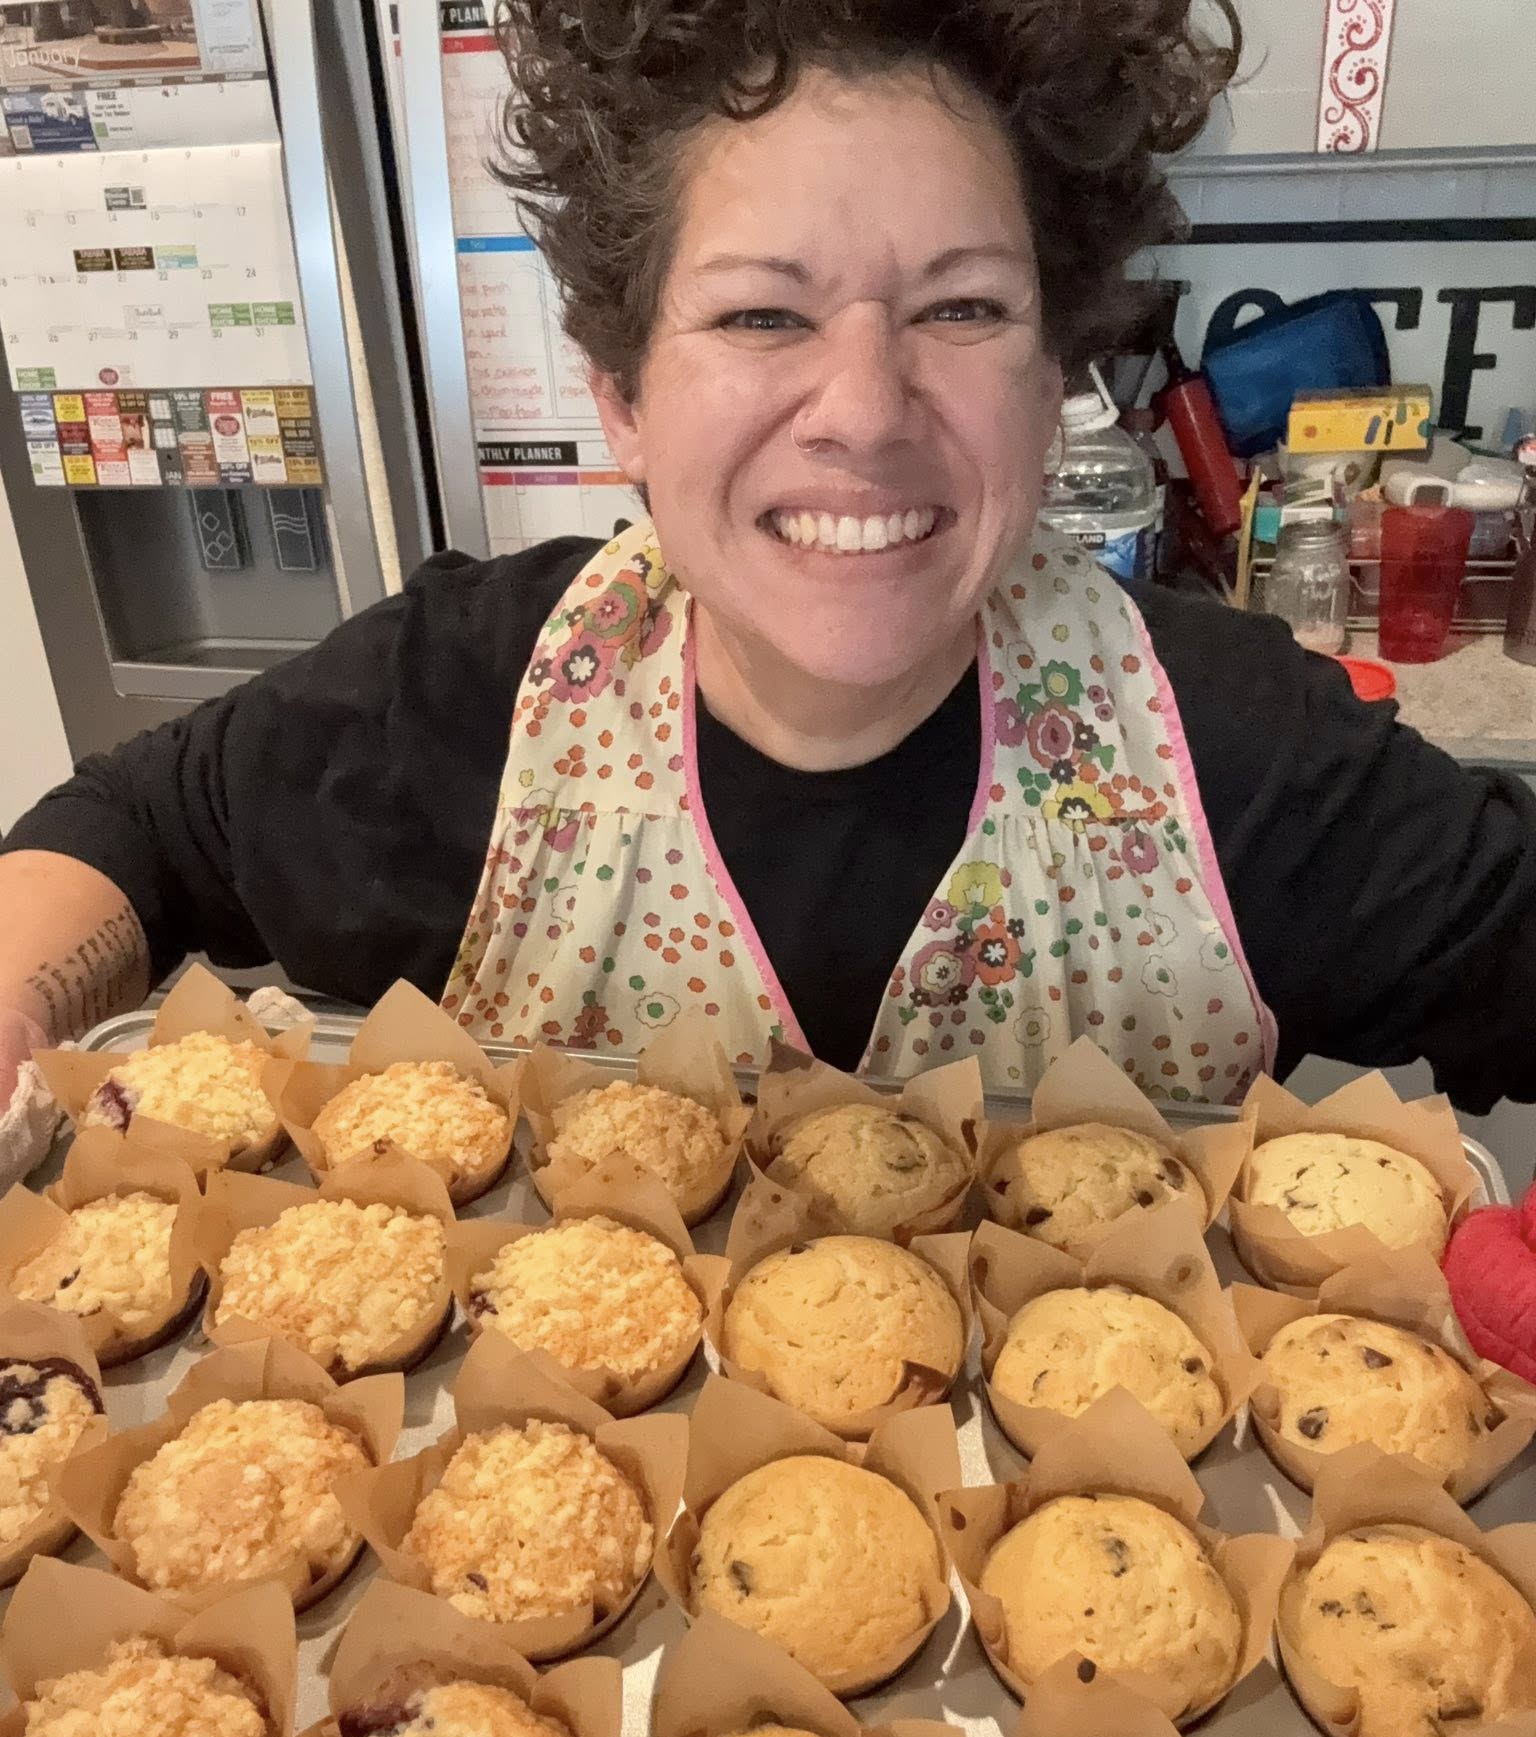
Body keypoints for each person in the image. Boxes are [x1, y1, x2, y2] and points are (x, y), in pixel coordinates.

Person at [4, 0, 1536, 1129]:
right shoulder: (462, 706)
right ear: (621, 394)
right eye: (760, 316)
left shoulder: (1233, 758)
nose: (865, 413)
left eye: (962, 310)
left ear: (1054, 363)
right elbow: (138, 826)